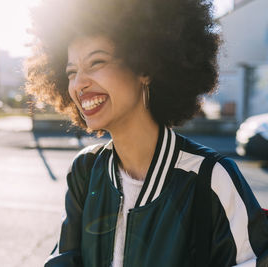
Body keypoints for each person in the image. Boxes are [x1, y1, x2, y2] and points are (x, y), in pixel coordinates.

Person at [25, 0, 268, 266]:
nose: (79, 84)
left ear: (145, 68)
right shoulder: (85, 170)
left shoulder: (210, 178)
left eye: (96, 62)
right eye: (71, 72)